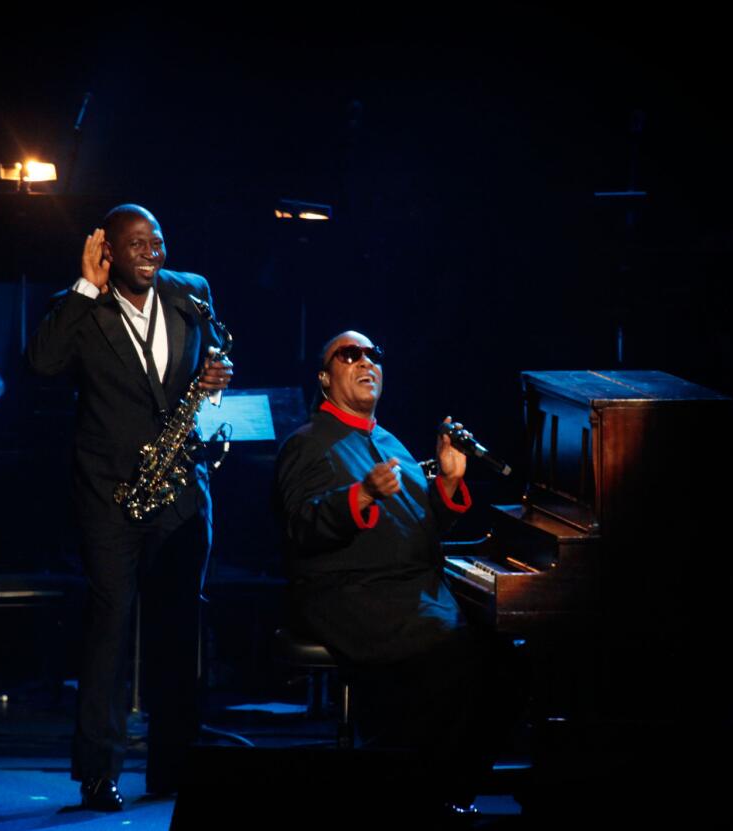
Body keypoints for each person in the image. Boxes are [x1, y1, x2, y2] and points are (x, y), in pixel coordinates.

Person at [28, 205, 232, 811]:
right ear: (108, 251)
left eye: (158, 241)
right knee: (110, 631)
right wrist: (85, 286)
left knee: (178, 632)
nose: (151, 252)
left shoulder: (190, 293)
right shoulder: (83, 306)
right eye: (137, 243)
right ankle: (98, 771)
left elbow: (214, 354)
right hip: (109, 493)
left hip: (181, 492)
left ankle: (175, 766)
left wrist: (218, 373)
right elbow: (40, 364)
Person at [273, 330, 517, 814]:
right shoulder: (307, 444)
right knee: (457, 659)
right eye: (349, 355)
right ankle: (423, 792)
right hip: (351, 594)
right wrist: (359, 496)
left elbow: (417, 528)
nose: (366, 362)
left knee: (508, 658)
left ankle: (447, 789)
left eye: (373, 355)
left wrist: (448, 482)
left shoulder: (387, 440)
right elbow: (299, 526)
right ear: (325, 377)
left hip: (408, 592)